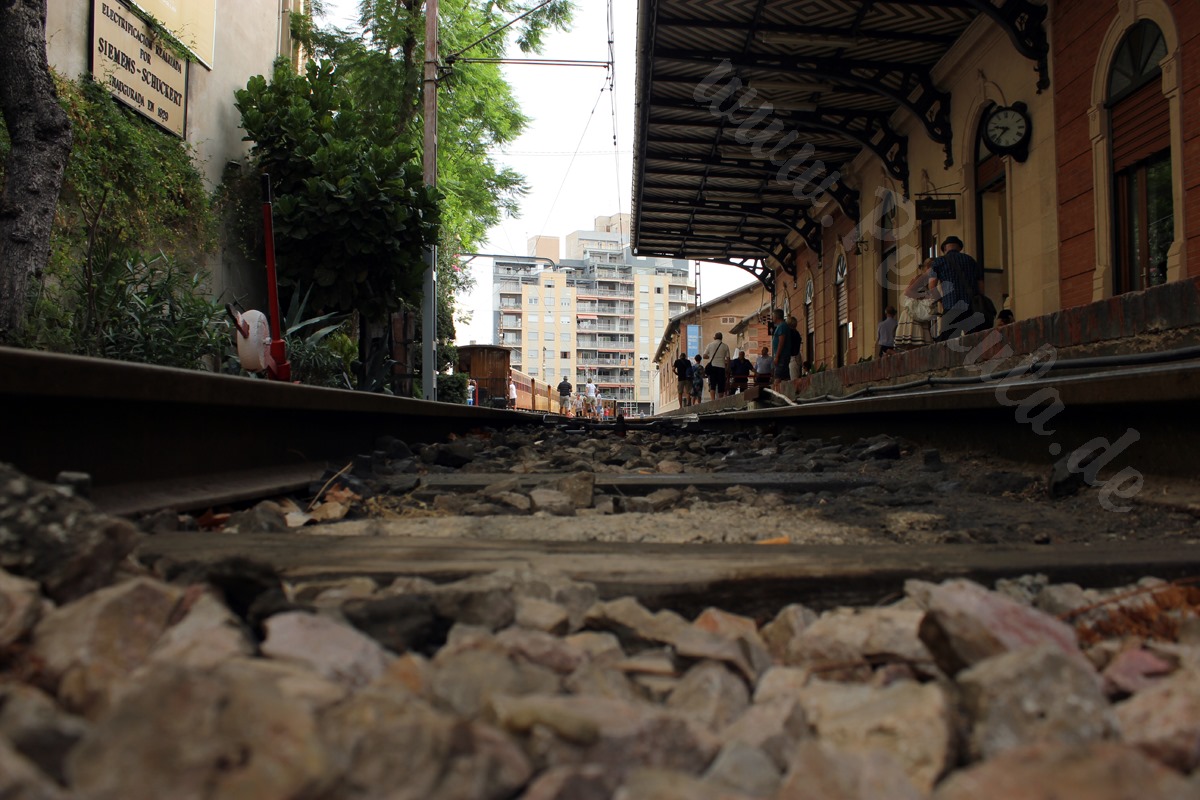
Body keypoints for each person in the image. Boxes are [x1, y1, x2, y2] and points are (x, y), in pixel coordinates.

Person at [929, 235, 985, 340]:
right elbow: (981, 285)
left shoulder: (939, 262)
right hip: (970, 307)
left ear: (945, 248)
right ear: (959, 248)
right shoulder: (971, 261)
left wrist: (940, 300)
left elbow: (932, 286)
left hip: (951, 307)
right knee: (973, 341)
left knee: (949, 343)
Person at [895, 259, 936, 350]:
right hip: (914, 314)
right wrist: (925, 296)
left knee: (917, 345)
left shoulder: (925, 277)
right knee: (916, 344)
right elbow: (908, 292)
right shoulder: (923, 277)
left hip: (915, 313)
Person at [702, 332, 731, 400]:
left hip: (712, 366)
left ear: (714, 338)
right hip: (721, 367)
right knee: (721, 384)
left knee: (712, 384)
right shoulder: (725, 346)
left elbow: (704, 356)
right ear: (722, 338)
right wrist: (727, 368)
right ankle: (720, 400)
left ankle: (713, 400)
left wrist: (710, 357)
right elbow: (728, 358)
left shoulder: (710, 345)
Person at [770, 309, 790, 391]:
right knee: (785, 377)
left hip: (782, 356)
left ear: (776, 316)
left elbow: (781, 342)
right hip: (783, 356)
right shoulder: (781, 326)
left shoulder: (782, 326)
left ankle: (775, 395)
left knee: (777, 378)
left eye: (773, 316)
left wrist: (777, 356)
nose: (772, 318)